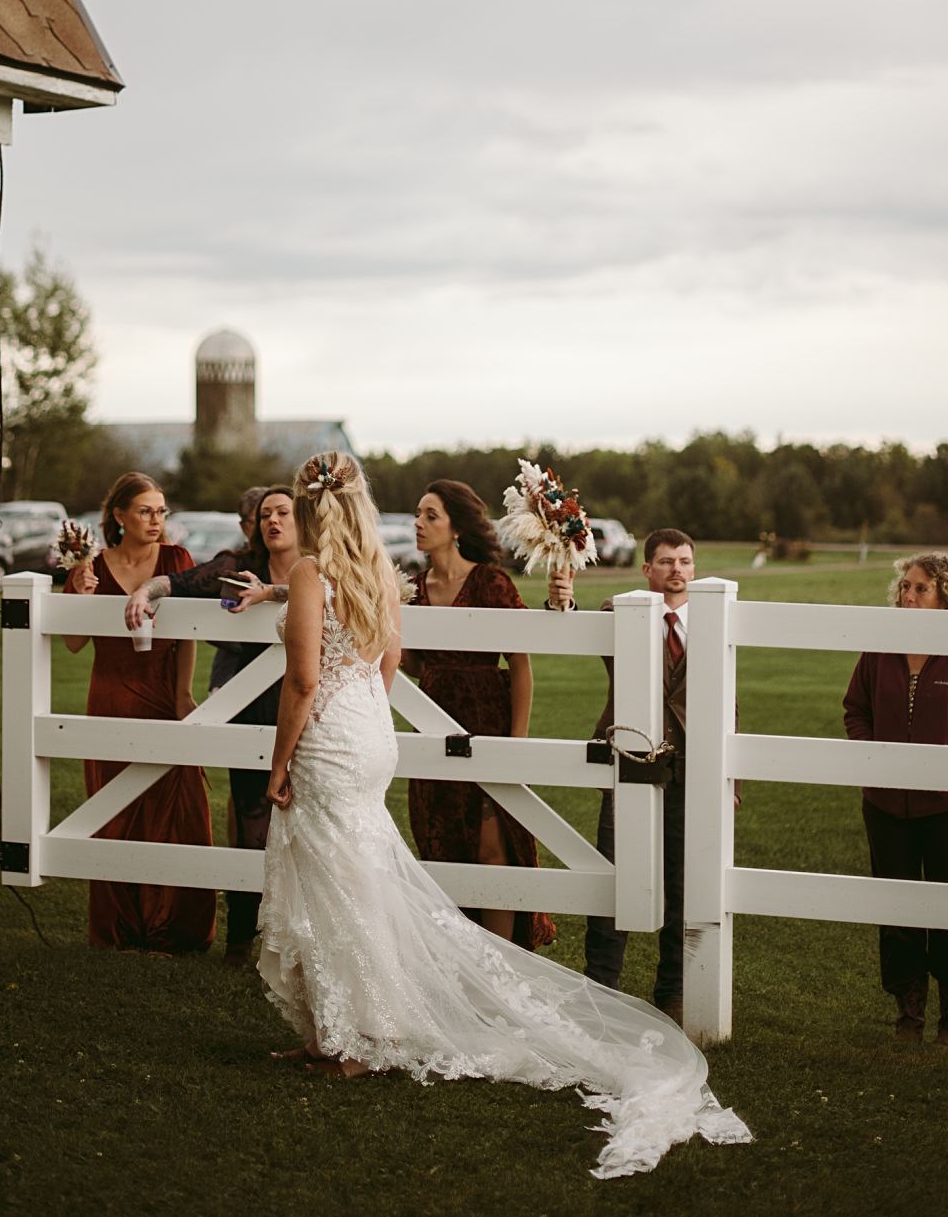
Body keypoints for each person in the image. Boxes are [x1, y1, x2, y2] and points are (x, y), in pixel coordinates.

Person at [256, 453, 751, 1179]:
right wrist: (358, 700)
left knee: (339, 883)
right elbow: (389, 658)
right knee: (357, 878)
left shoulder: (309, 575)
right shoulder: (377, 574)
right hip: (369, 731)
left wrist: (278, 761)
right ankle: (343, 1028)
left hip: (329, 736)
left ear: (306, 509)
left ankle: (353, 1041)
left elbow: (301, 679)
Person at [125, 486, 295, 967]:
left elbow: (340, 590)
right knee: (250, 818)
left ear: (303, 519)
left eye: (283, 512)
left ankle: (300, 941)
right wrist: (145, 590)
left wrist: (272, 595)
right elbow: (177, 582)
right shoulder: (237, 564)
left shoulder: (323, 565)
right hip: (250, 700)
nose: (272, 521)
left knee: (306, 822)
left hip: (306, 703)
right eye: (265, 514)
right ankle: (241, 937)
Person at [843, 552, 948, 1045]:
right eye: (905, 587)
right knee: (897, 909)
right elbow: (856, 709)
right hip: (886, 805)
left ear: (946, 598)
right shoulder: (880, 648)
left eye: (920, 589)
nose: (907, 595)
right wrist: (873, 758)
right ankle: (908, 1010)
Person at [62, 472, 217, 954]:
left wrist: (182, 693)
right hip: (109, 695)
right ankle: (120, 934)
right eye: (146, 510)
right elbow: (71, 643)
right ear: (119, 517)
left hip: (163, 692)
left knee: (180, 810)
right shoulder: (92, 566)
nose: (157, 520)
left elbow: (189, 630)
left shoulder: (176, 560)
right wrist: (79, 594)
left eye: (162, 511)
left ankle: (176, 931)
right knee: (116, 812)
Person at [401, 481, 555, 949]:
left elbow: (521, 660)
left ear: (457, 528)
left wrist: (517, 739)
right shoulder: (412, 587)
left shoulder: (490, 582)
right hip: (431, 717)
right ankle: (461, 961)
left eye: (431, 516)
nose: (419, 524)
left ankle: (503, 963)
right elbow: (412, 663)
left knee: (493, 848)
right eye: (419, 514)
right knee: (442, 841)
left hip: (486, 715)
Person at [560, 528, 703, 1017]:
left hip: (691, 770)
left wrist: (733, 785)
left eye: (684, 561)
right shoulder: (621, 614)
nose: (676, 570)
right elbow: (586, 630)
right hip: (628, 764)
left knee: (684, 884)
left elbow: (729, 706)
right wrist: (565, 603)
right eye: (665, 561)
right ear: (647, 570)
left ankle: (675, 994)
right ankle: (602, 988)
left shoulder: (711, 623)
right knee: (614, 875)